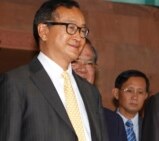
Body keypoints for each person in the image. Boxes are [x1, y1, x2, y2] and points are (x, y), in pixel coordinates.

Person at [0, 0, 108, 141]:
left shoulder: (91, 92)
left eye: (82, 30)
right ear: (44, 31)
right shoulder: (16, 83)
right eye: (71, 27)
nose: (79, 37)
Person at [72, 38, 127, 141]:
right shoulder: (47, 110)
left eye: (89, 63)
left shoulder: (113, 122)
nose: (82, 68)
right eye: (75, 62)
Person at [113, 69, 150, 141]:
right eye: (129, 91)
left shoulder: (150, 127)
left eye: (140, 92)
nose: (135, 97)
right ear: (116, 93)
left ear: (146, 96)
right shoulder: (104, 124)